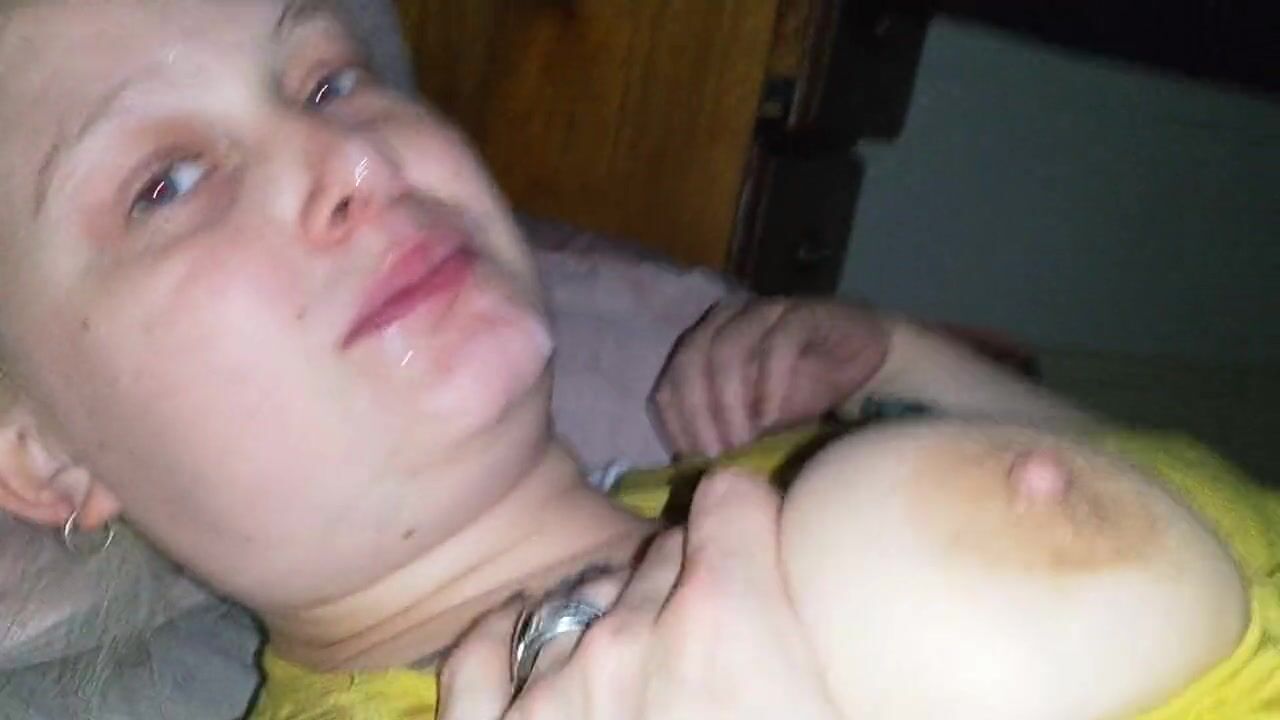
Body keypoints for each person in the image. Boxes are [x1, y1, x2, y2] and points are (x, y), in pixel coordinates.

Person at [0, 1, 1274, 719]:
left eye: (327, 83)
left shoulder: (721, 478)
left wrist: (902, 364)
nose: (357, 158)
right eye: (164, 185)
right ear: (43, 452)